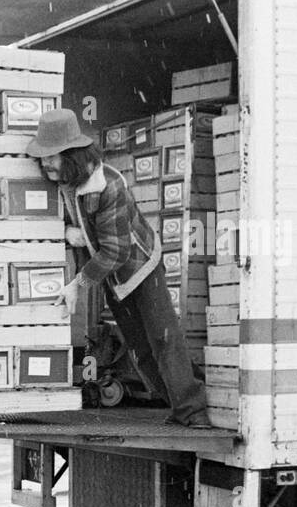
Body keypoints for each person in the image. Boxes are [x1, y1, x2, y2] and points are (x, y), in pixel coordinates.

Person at [27, 108, 209, 428]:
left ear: (71, 155)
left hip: (140, 269)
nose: (45, 164)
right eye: (42, 157)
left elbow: (115, 251)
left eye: (51, 157)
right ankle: (177, 408)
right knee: (141, 350)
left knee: (164, 340)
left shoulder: (109, 186)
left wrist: (77, 284)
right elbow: (86, 229)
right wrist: (72, 234)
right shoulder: (67, 184)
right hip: (113, 276)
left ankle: (194, 411)